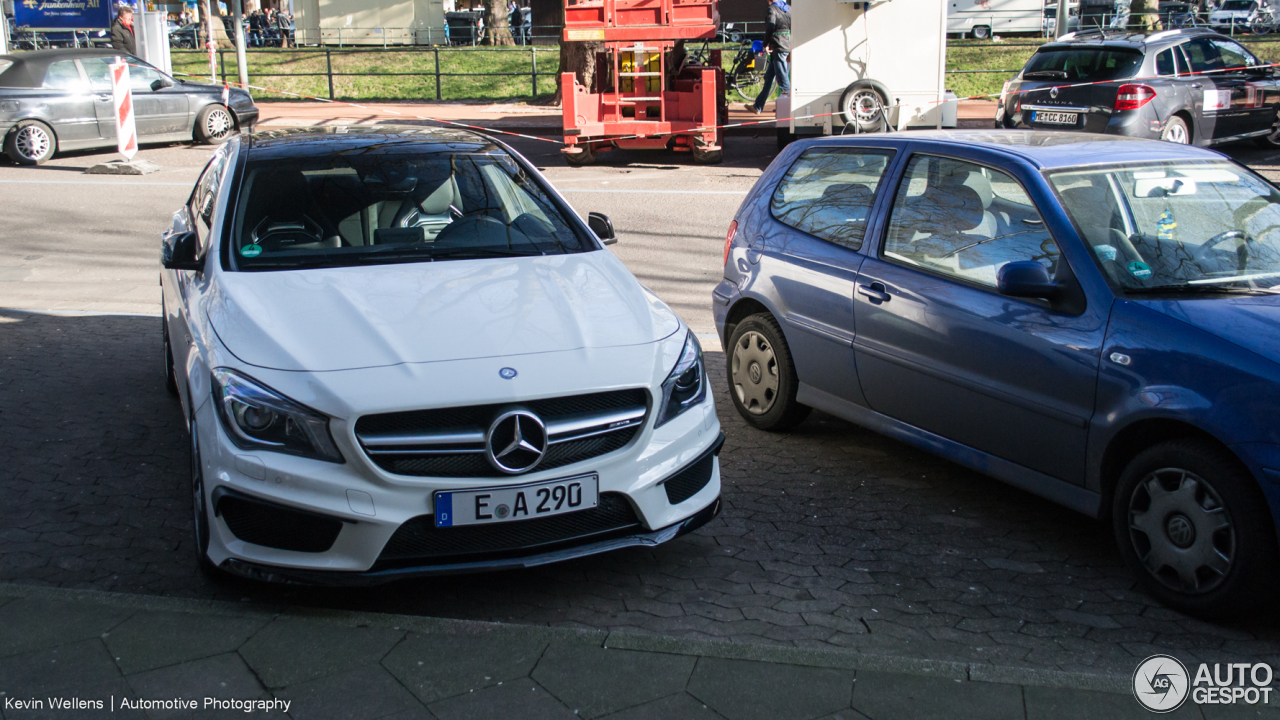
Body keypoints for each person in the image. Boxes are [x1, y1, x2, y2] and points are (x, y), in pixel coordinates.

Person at [747, 0, 790, 115]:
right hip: (786, 44)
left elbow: (770, 27)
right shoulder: (788, 8)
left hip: (778, 46)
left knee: (782, 78)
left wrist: (765, 44)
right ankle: (758, 106)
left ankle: (789, 106)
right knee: (769, 77)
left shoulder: (772, 9)